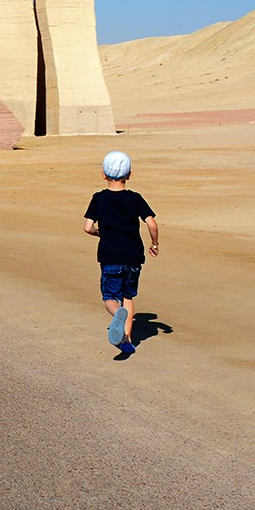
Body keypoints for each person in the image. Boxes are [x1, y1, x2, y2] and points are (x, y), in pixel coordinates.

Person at [82, 150, 159, 356]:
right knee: (128, 297)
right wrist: (155, 243)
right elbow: (151, 223)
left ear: (103, 174)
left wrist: (100, 233)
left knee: (110, 297)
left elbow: (88, 227)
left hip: (110, 257)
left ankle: (117, 315)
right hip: (133, 257)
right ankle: (127, 340)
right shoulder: (135, 198)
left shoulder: (98, 198)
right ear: (129, 175)